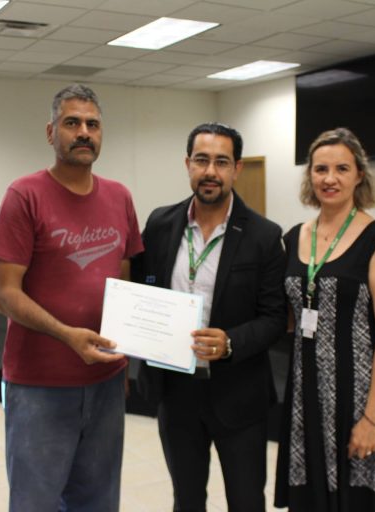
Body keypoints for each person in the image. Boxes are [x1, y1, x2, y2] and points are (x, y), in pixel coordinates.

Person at [0, 84, 143, 512]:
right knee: (35, 501)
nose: (84, 132)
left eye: (93, 124)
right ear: (51, 132)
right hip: (39, 384)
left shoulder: (120, 197)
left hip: (106, 380)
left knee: (98, 500)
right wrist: (67, 334)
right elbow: (4, 294)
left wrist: (127, 353)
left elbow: (124, 278)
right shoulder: (25, 195)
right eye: (72, 123)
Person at [132, 122, 286, 511]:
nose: (210, 171)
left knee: (246, 502)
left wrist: (230, 342)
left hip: (239, 393)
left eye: (221, 161)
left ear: (237, 168)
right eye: (201, 160)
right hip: (176, 391)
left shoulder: (264, 236)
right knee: (186, 500)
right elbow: (143, 288)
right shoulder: (160, 224)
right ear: (188, 164)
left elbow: (274, 317)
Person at [274, 127, 375, 512]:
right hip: (305, 394)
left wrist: (372, 419)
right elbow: (288, 318)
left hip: (359, 396)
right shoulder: (294, 237)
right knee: (309, 497)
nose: (330, 179)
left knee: (356, 499)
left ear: (359, 175)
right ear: (310, 175)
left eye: (342, 169)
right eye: (321, 169)